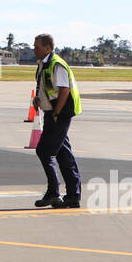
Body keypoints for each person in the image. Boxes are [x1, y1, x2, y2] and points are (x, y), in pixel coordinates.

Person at [32, 33, 82, 209]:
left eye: (36, 46)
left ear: (47, 48)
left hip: (59, 114)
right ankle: (73, 196)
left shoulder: (56, 64)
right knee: (63, 154)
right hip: (52, 112)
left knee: (44, 151)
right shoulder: (44, 64)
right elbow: (48, 86)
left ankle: (54, 192)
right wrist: (38, 99)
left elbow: (64, 90)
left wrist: (56, 113)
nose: (34, 49)